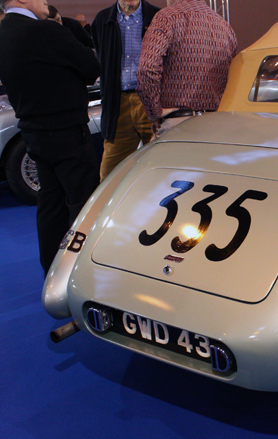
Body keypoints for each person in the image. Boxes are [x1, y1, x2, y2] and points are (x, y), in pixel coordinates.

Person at [0, 0, 101, 275]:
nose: (45, 0)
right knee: (83, 203)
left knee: (50, 204)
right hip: (67, 131)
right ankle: (82, 273)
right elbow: (92, 67)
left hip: (34, 133)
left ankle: (53, 271)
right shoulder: (45, 31)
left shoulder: (4, 32)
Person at [136, 0, 236, 138]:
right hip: (216, 126)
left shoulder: (166, 18)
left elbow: (146, 70)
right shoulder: (225, 26)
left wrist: (154, 112)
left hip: (178, 126)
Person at [91, 0, 160, 181]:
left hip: (151, 100)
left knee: (159, 165)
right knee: (109, 173)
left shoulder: (158, 17)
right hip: (117, 103)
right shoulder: (102, 19)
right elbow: (101, 58)